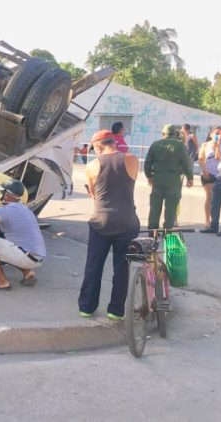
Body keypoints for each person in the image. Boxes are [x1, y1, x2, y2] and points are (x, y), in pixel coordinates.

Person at [78, 130, 140, 320]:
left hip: (101, 223)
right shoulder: (131, 160)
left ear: (97, 146)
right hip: (128, 221)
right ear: (113, 142)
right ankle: (115, 311)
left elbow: (94, 195)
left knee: (94, 266)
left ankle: (87, 307)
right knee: (122, 268)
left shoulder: (92, 165)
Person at [0, 180, 46, 290]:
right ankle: (28, 273)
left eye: (3, 193)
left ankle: (2, 281)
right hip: (37, 257)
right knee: (9, 247)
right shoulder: (24, 208)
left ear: (8, 195)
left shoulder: (6, 210)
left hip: (26, 256)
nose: (1, 195)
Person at [144, 124, 194, 229]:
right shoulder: (180, 145)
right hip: (174, 181)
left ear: (163, 133)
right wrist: (190, 177)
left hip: (158, 180)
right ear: (175, 134)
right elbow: (186, 163)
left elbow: (147, 163)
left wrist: (149, 176)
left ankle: (153, 232)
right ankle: (168, 233)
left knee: (155, 207)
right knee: (171, 208)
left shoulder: (155, 145)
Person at [199, 127, 221, 227]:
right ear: (211, 134)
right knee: (210, 197)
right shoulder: (205, 145)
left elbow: (219, 157)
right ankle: (207, 220)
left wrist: (218, 146)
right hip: (208, 174)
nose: (218, 135)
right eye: (216, 133)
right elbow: (200, 159)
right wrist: (205, 170)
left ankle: (215, 219)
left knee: (218, 199)